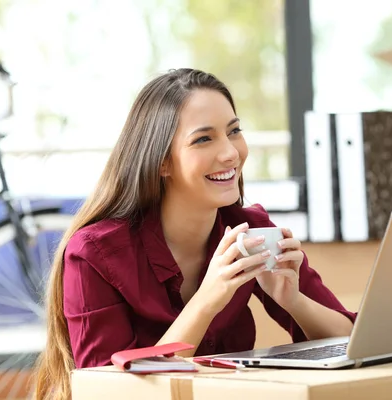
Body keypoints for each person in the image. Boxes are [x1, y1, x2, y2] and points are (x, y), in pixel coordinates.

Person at [33, 68, 356, 400]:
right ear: (162, 162)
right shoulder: (94, 254)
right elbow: (107, 392)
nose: (230, 152)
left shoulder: (250, 230)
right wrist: (205, 302)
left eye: (234, 131)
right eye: (204, 138)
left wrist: (294, 301)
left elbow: (356, 342)